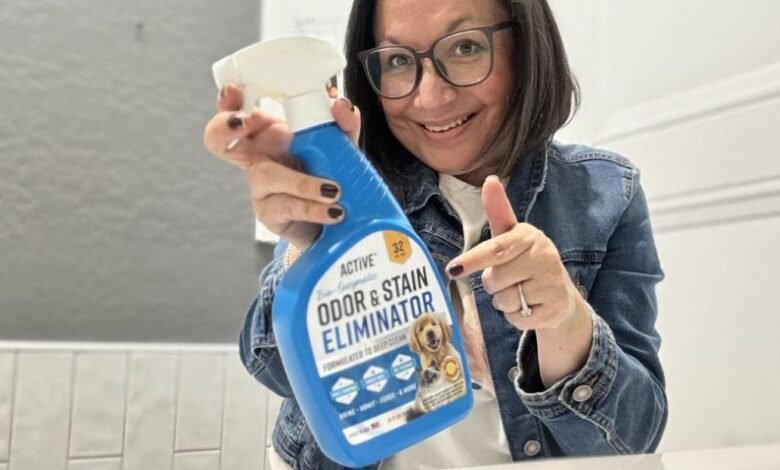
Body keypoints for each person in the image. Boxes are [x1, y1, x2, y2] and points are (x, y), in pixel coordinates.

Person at [203, 0, 667, 468]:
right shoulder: (353, 182)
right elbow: (272, 368)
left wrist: (564, 321)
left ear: (525, 48)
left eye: (465, 47)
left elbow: (631, 443)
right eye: (397, 60)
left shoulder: (606, 192)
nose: (429, 98)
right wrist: (311, 244)